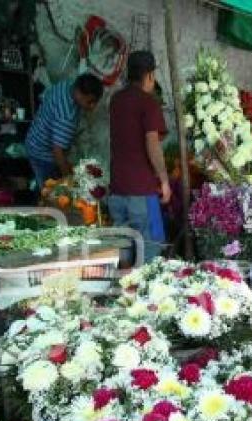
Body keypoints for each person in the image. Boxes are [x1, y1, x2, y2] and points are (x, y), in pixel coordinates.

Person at [108, 50, 171, 264]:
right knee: (149, 251)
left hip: (117, 188)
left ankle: (121, 291)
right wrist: (164, 180)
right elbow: (152, 144)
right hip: (142, 191)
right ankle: (144, 293)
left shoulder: (116, 100)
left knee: (123, 249)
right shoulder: (149, 103)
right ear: (150, 75)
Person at [25, 73, 104, 192]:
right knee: (49, 194)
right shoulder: (66, 116)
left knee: (47, 186)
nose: (92, 107)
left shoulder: (66, 85)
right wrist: (68, 180)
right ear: (79, 92)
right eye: (90, 102)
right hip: (42, 154)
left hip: (35, 138)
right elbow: (58, 152)